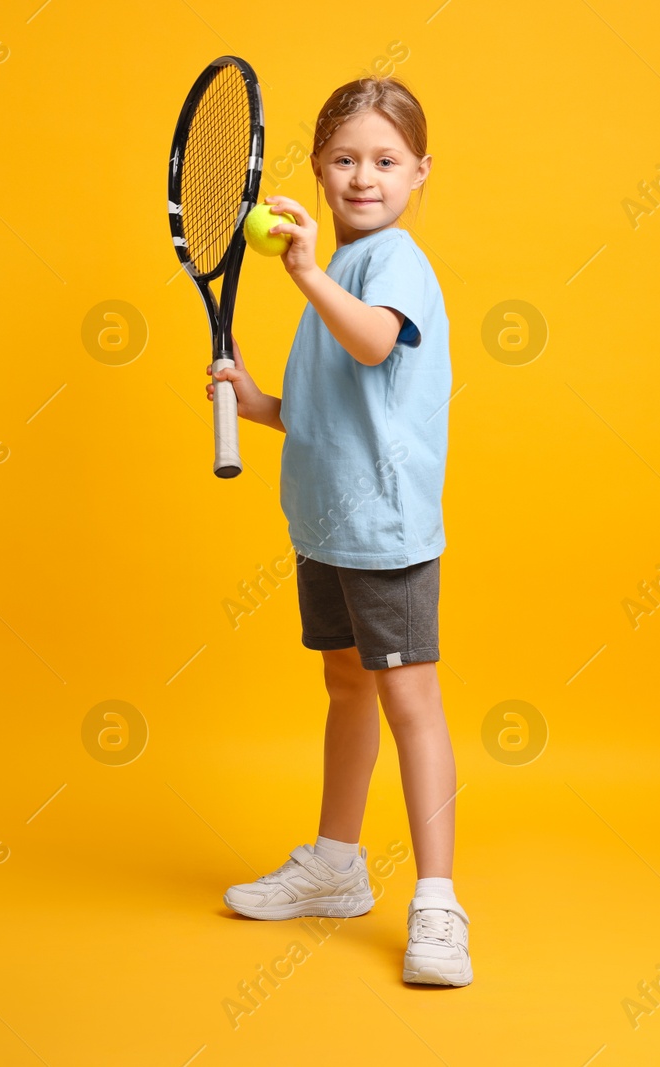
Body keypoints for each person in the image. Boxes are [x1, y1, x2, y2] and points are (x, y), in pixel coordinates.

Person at [203, 75, 470, 986]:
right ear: (317, 170)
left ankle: (438, 899)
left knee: (409, 701)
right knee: (347, 684)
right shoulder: (337, 271)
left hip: (385, 530)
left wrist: (309, 271)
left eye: (386, 161)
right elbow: (334, 405)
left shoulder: (390, 261)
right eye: (345, 160)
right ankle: (336, 865)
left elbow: (372, 344)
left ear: (420, 173)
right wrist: (257, 403)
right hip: (325, 523)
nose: (365, 178)